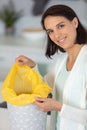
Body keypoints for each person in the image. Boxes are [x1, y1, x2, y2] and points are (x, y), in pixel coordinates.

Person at [16, 5, 87, 130]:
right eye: (50, 31)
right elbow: (44, 86)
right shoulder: (61, 62)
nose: (57, 35)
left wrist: (58, 107)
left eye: (60, 26)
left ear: (74, 22)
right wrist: (32, 66)